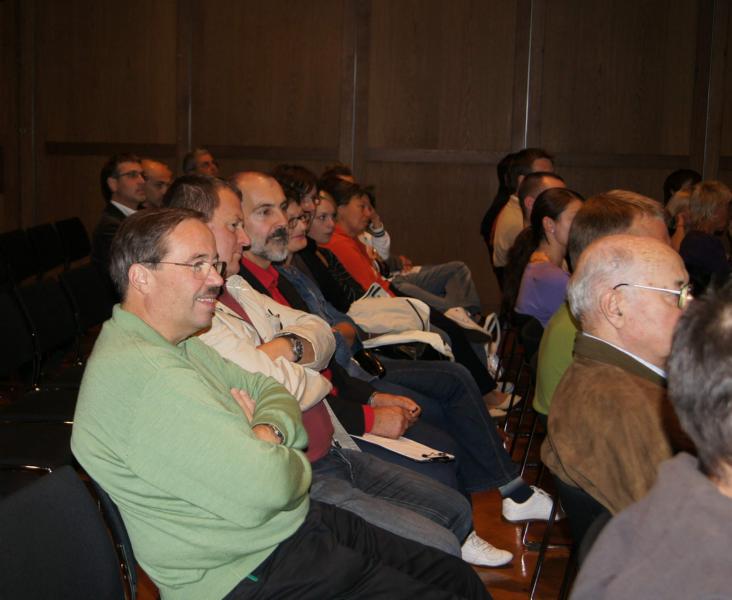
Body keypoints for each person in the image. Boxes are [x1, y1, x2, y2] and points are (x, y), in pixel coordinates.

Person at [71, 207, 490, 600]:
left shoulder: (173, 340)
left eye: (213, 264)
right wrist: (282, 450)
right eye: (196, 264)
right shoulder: (152, 377)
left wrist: (264, 432)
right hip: (245, 571)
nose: (215, 279)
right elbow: (273, 486)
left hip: (287, 528)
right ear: (142, 277)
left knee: (456, 577)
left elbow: (271, 390)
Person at [163, 174, 512, 566]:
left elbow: (321, 331)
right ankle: (496, 508)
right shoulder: (198, 314)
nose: (243, 238)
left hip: (332, 443)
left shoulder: (238, 287)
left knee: (455, 506)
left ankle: (507, 493)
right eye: (236, 224)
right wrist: (307, 363)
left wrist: (288, 350)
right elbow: (284, 385)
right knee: (439, 539)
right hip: (300, 474)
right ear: (195, 229)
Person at [231, 171, 554, 522]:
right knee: (445, 428)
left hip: (351, 376)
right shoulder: (251, 287)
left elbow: (336, 336)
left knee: (450, 380)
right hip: (335, 408)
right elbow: (310, 372)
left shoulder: (286, 274)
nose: (287, 223)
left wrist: (360, 381)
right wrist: (368, 405)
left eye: (290, 213)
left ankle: (505, 491)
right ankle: (498, 497)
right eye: (269, 212)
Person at [572, 281, 732, 599]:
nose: (683, 307)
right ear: (614, 306)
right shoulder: (702, 575)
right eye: (676, 296)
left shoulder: (677, 501)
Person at [541, 234, 691, 514]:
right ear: (615, 306)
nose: (690, 308)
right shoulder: (629, 408)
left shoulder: (600, 378)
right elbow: (683, 526)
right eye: (677, 295)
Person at [532, 190, 670, 420]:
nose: (673, 258)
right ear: (607, 259)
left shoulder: (588, 311)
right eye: (655, 252)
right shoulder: (599, 326)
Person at [503, 188, 583, 325]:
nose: (582, 226)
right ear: (549, 224)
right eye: (575, 219)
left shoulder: (545, 264)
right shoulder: (550, 277)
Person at [492, 148, 555, 271]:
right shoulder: (518, 219)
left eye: (552, 175)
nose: (552, 182)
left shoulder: (523, 209)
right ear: (522, 182)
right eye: (542, 176)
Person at [91, 153, 146, 274]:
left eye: (142, 175)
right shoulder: (110, 227)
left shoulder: (142, 214)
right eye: (132, 175)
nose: (142, 181)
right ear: (113, 184)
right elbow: (128, 271)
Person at [677, 180, 731, 294]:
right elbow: (726, 284)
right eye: (726, 208)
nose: (729, 214)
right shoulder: (705, 243)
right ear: (714, 211)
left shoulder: (693, 238)